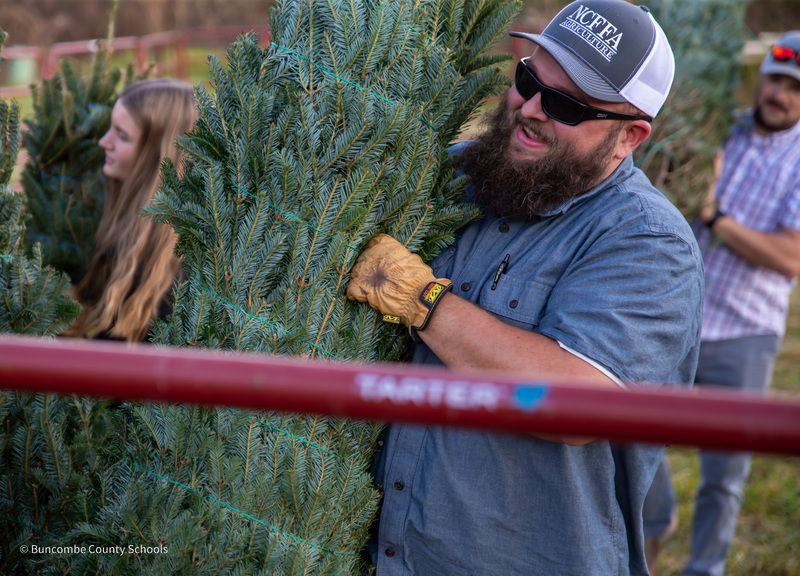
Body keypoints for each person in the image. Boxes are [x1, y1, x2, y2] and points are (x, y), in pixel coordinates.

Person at [346, 1, 704, 574]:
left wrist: (422, 300)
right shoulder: (459, 176)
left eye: (565, 104)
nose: (530, 109)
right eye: (529, 78)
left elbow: (578, 409)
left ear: (628, 136)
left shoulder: (649, 243)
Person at [643, 30, 800, 576]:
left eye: (796, 88)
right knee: (632, 435)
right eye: (777, 80)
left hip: (746, 332)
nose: (782, 94)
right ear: (762, 78)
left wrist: (715, 217)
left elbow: (790, 255)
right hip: (675, 319)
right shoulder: (717, 133)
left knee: (725, 474)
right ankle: (652, 522)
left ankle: (704, 568)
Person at [64, 78, 198, 342]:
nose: (104, 141)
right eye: (109, 129)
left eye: (122, 135)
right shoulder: (119, 228)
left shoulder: (176, 284)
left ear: (156, 157)